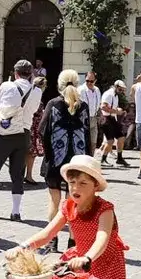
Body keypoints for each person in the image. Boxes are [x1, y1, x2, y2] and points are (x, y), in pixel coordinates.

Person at [0, 61, 42, 222]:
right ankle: (15, 212)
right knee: (18, 173)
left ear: (16, 73)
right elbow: (34, 110)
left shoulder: (7, 86)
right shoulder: (37, 91)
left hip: (4, 132)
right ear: (30, 74)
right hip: (24, 133)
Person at [41, 70, 91, 223]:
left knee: (54, 200)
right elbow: (88, 134)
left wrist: (47, 154)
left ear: (59, 85)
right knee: (72, 202)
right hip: (77, 160)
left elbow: (43, 130)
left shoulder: (53, 104)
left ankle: (52, 236)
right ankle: (72, 236)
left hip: (55, 159)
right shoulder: (83, 106)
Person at [99, 79, 128, 166]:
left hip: (112, 118)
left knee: (121, 137)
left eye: (122, 90)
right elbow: (103, 107)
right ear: (116, 87)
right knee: (110, 140)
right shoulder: (108, 94)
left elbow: (113, 107)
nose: (121, 91)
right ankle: (103, 160)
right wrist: (116, 112)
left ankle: (119, 158)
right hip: (105, 118)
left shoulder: (115, 96)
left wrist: (119, 110)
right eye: (120, 89)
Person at [79, 72, 103, 160]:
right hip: (83, 118)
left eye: (91, 81)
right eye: (87, 81)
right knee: (84, 141)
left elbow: (99, 104)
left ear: (95, 81)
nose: (89, 83)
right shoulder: (81, 90)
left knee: (93, 141)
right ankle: (82, 160)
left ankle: (90, 159)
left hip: (94, 118)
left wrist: (100, 115)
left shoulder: (97, 90)